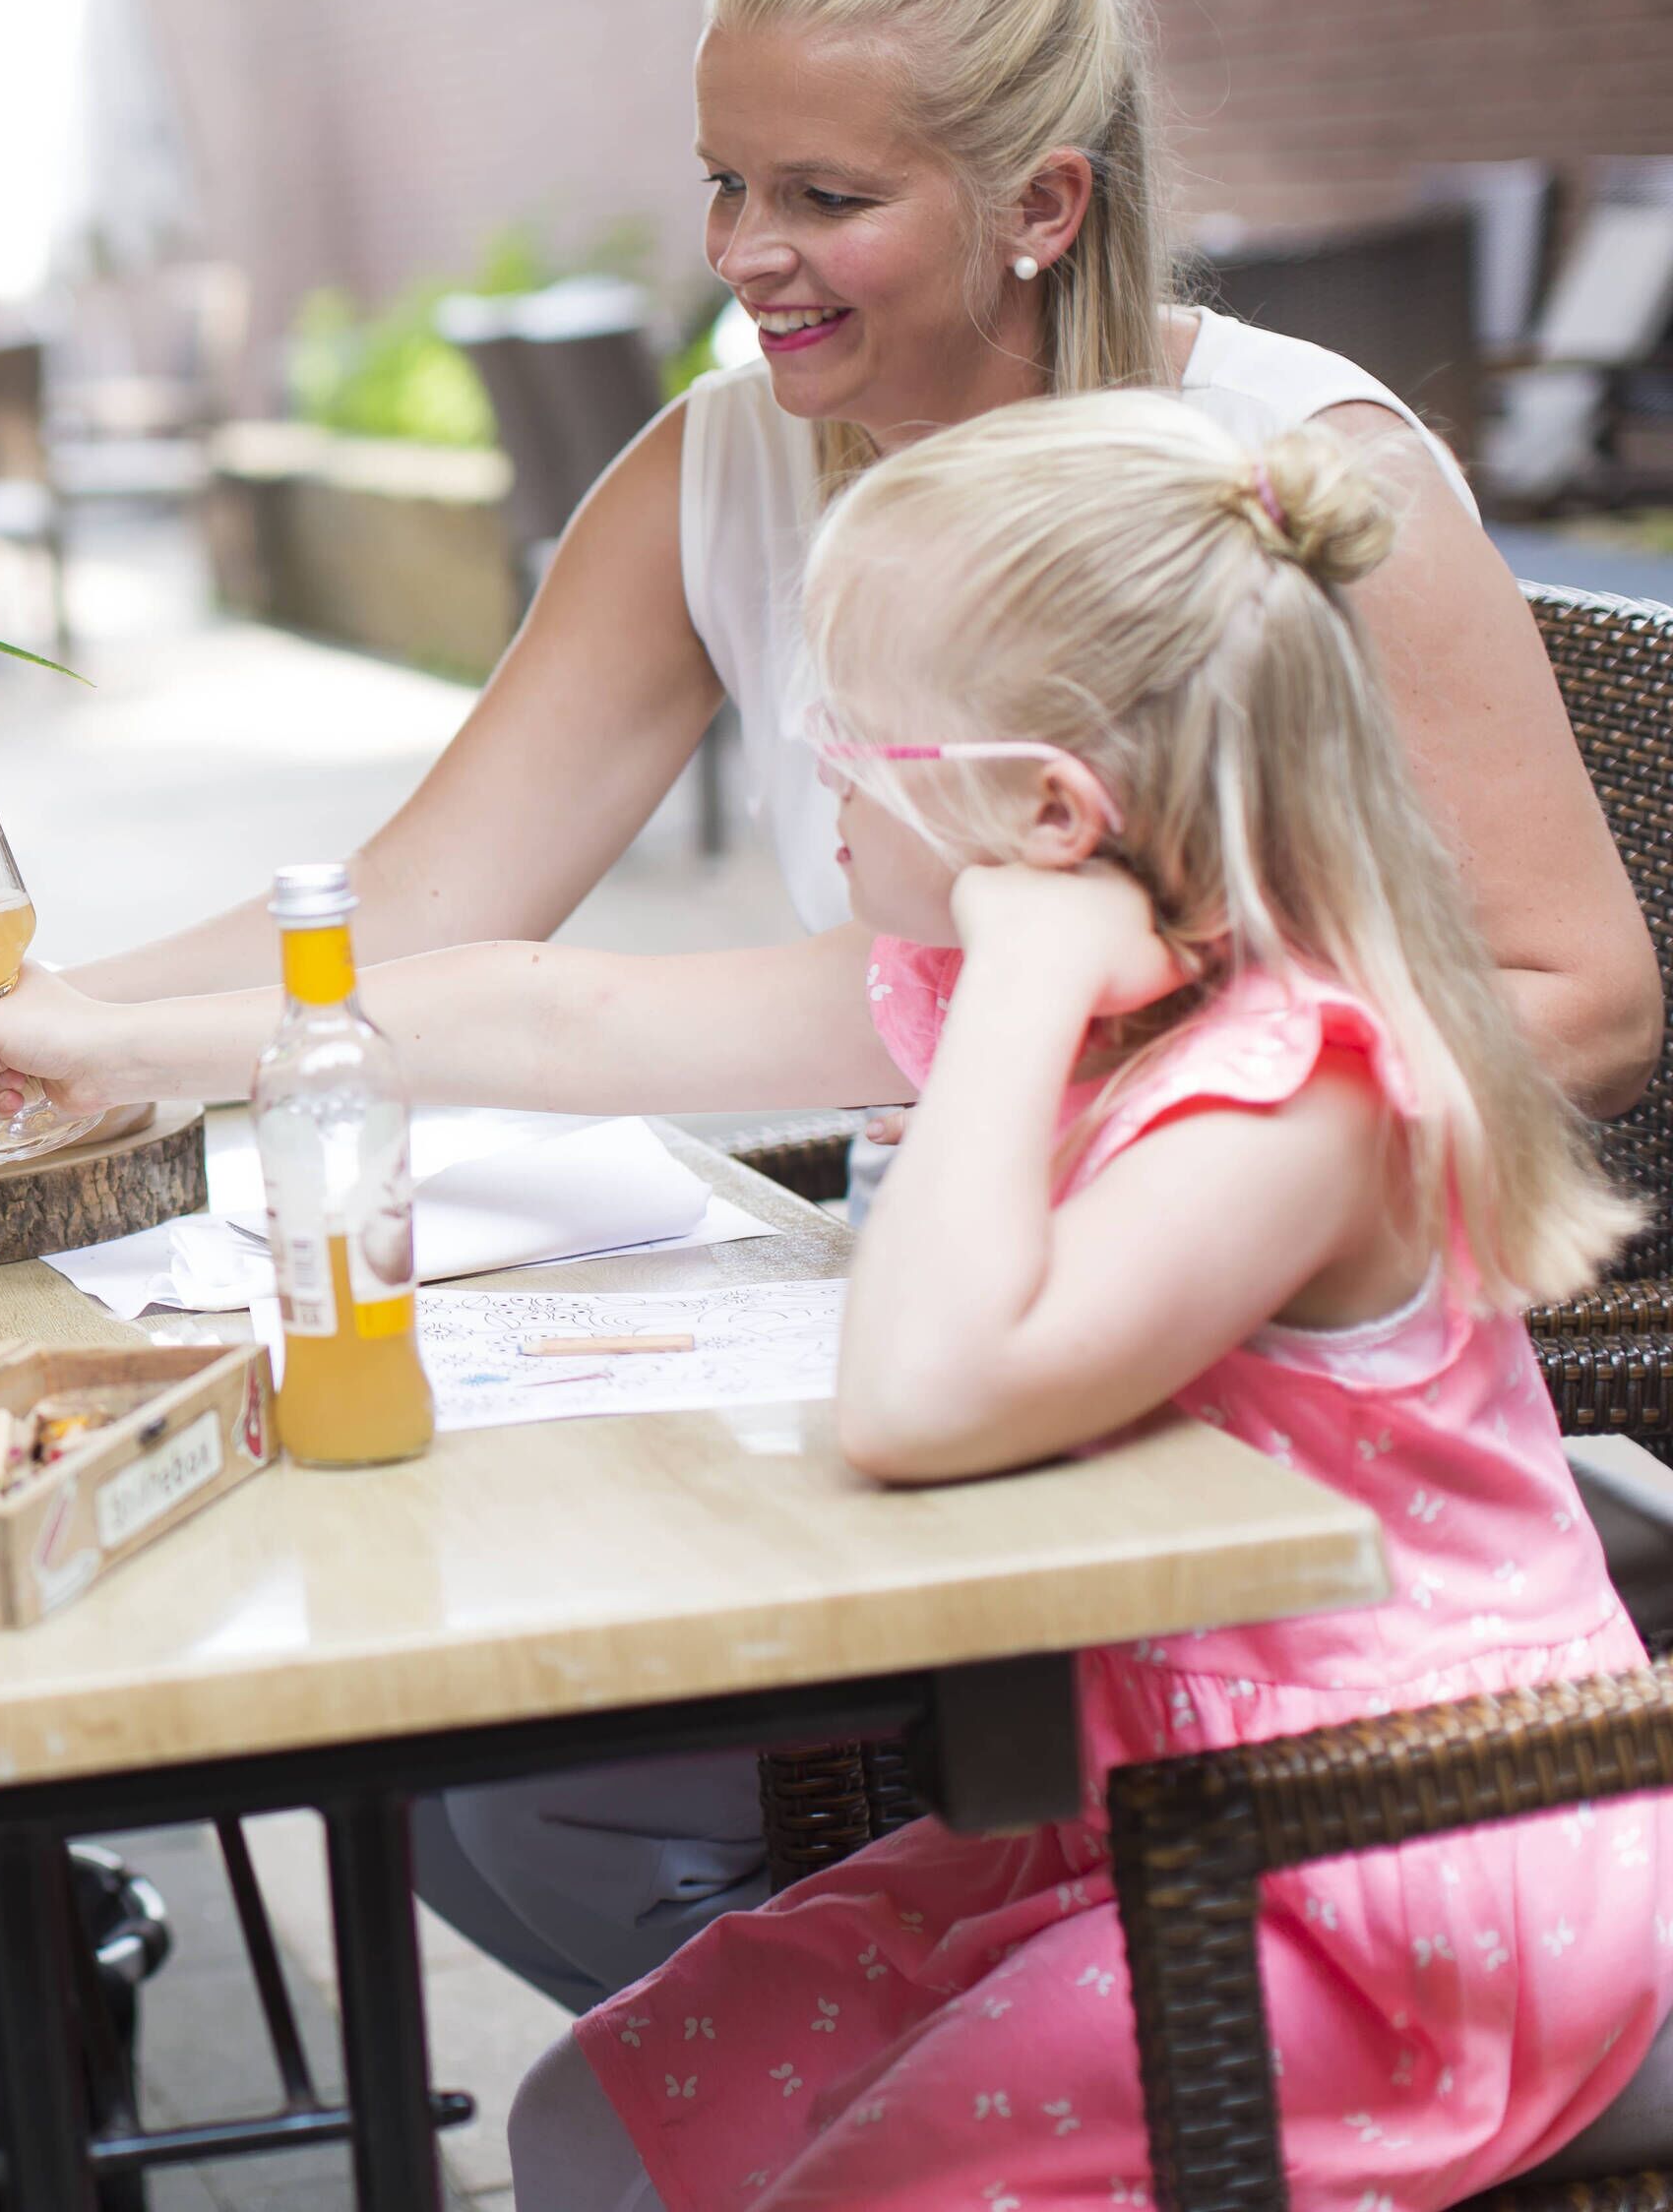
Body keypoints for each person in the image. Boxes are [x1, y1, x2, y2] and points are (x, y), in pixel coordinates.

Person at [0, 0, 1663, 2009]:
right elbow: (431, 922)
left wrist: (1134, 1094)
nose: (745, 254)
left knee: (534, 1764)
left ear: (1041, 202)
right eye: (723, 183)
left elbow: (1584, 996)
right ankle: (892, 2017)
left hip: (1213, 1367)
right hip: (933, 1288)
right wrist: (38, 1020)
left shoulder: (1281, 478)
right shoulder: (732, 466)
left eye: (824, 197)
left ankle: (971, 2025)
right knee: (471, 1726)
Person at [493, 399, 1664, 2209]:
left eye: (841, 736)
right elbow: (581, 1026)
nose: (808, 769)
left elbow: (920, 1402)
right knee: (598, 2116)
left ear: (1048, 816)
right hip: (1167, 1815)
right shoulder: (1078, 1017)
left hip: (1414, 1868)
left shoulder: (1290, 1089)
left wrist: (1029, 969)